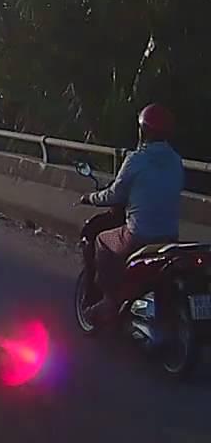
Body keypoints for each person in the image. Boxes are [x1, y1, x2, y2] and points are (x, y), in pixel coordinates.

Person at [79, 104, 184, 324]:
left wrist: (89, 198)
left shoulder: (136, 159)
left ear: (143, 131)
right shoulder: (176, 161)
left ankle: (109, 300)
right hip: (169, 237)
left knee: (102, 241)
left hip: (139, 235)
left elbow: (114, 194)